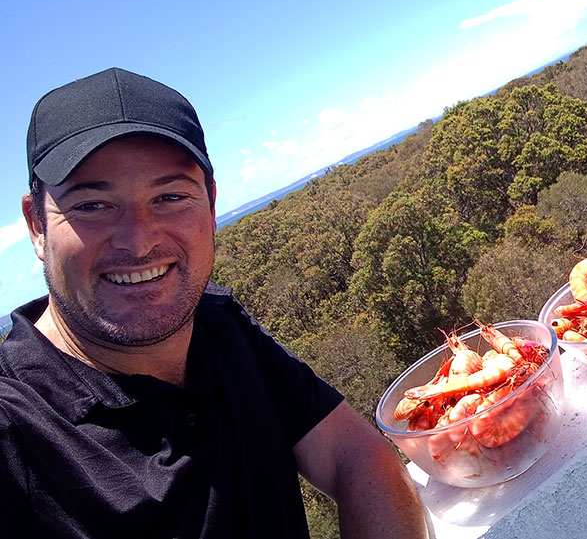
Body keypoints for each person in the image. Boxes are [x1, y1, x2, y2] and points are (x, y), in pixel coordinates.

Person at [0, 68, 428, 539]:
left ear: (210, 204)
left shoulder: (217, 325)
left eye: (170, 196)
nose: (139, 240)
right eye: (92, 205)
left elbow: (355, 455)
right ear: (37, 224)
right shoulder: (17, 426)